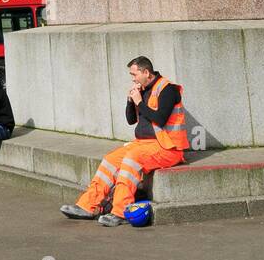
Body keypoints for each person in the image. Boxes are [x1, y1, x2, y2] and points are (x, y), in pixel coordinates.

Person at [60, 55, 188, 226]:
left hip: (168, 148)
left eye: (134, 75)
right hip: (144, 144)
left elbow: (160, 118)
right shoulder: (142, 90)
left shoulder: (168, 89)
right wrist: (130, 101)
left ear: (146, 72)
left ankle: (120, 212)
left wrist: (139, 102)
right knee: (110, 160)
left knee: (131, 159)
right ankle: (87, 206)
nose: (133, 79)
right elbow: (130, 120)